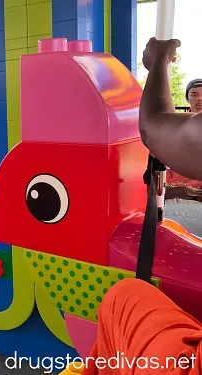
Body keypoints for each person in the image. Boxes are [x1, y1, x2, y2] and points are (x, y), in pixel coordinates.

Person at [81, 37, 202, 374]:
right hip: (173, 205)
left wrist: (158, 62)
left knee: (124, 296)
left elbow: (153, 127)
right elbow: (154, 180)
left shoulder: (181, 136)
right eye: (194, 94)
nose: (198, 99)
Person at [143, 79, 202, 236]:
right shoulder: (172, 129)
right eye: (194, 95)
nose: (199, 99)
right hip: (168, 202)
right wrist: (183, 190)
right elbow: (151, 188)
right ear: (188, 98)